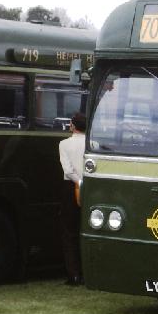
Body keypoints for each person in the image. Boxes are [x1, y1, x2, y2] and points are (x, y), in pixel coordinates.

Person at [59, 112, 86, 285]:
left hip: (71, 188)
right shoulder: (93, 143)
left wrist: (79, 183)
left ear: (72, 126)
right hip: (90, 187)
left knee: (69, 232)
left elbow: (68, 170)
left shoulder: (64, 144)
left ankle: (74, 274)